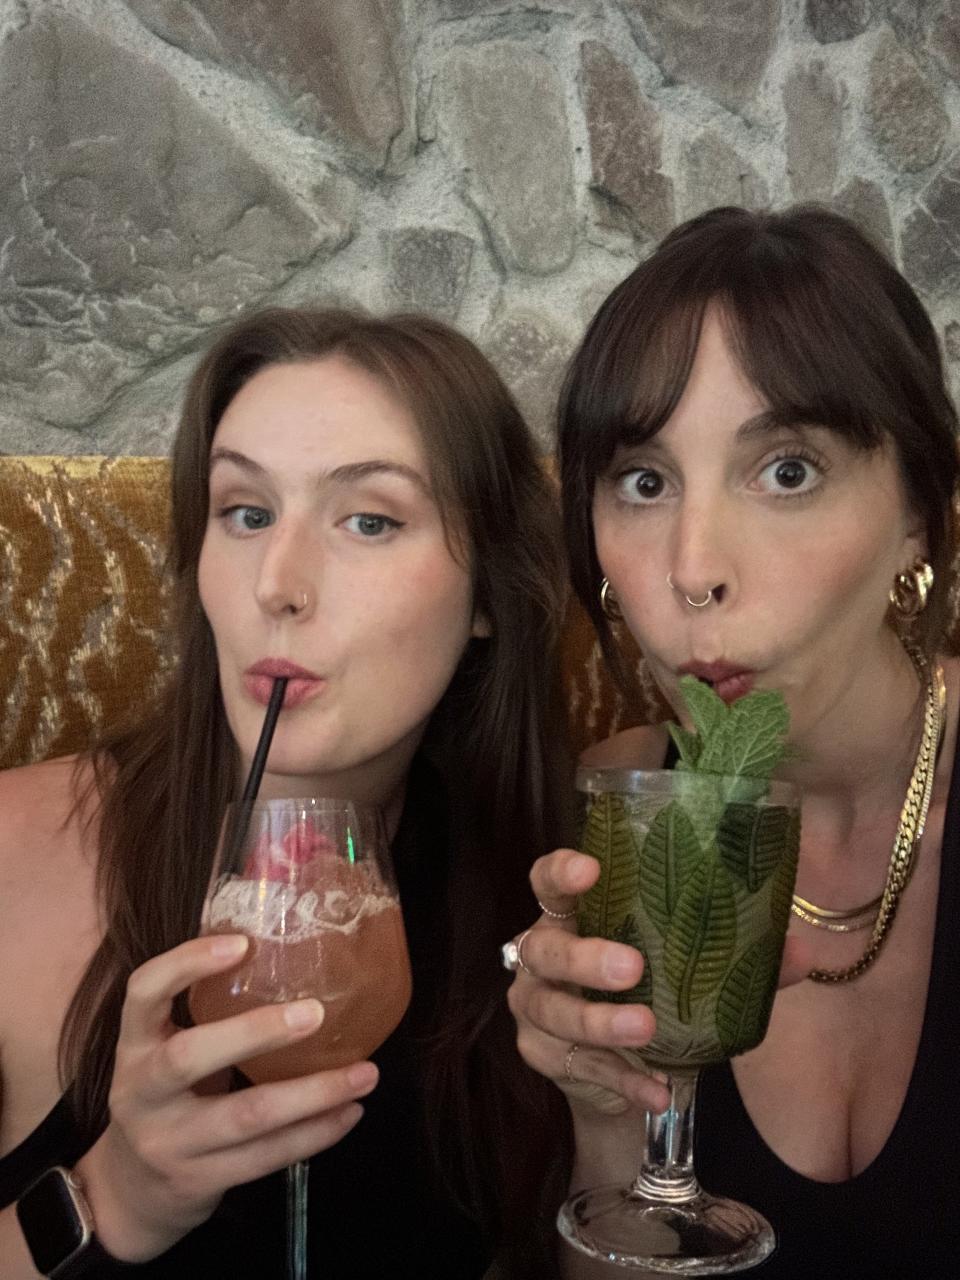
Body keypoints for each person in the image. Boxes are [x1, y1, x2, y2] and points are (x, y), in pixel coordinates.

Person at [0, 308, 572, 1278]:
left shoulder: (540, 894)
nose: (280, 582)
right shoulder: (15, 856)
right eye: (246, 511)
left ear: (488, 597)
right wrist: (115, 1196)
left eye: (369, 519)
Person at [506, 205, 960, 1276]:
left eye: (787, 469)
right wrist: (608, 1112)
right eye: (644, 481)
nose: (695, 566)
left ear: (920, 516)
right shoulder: (613, 799)